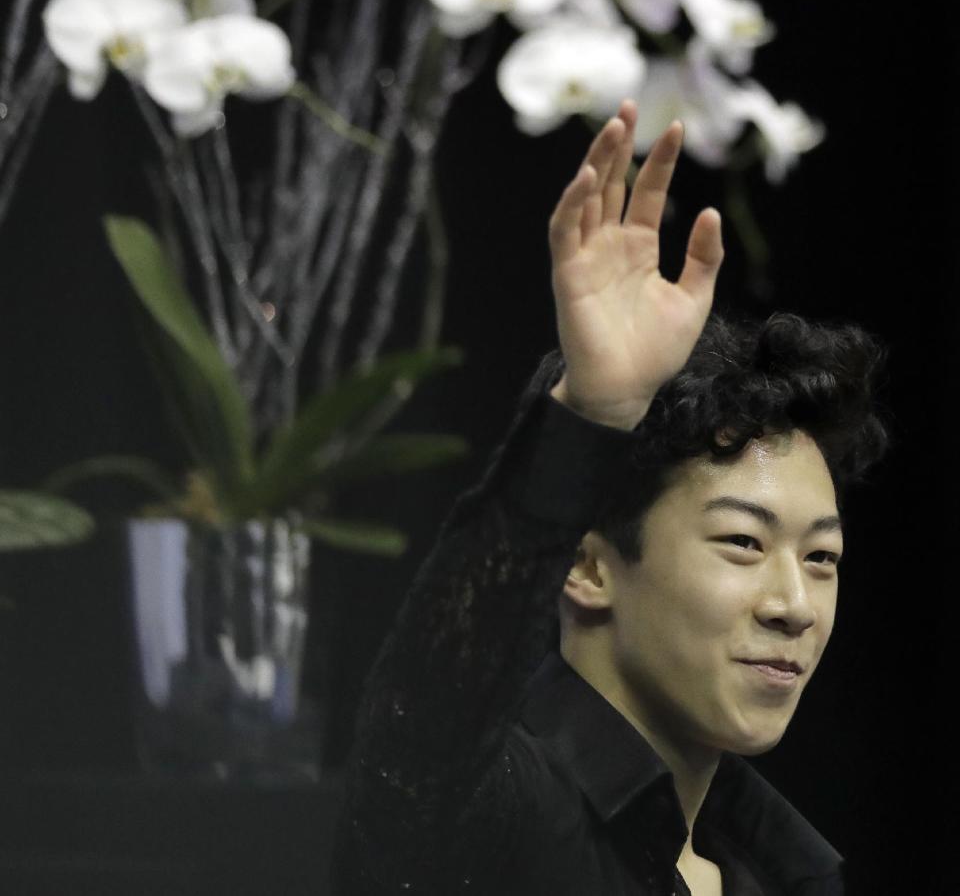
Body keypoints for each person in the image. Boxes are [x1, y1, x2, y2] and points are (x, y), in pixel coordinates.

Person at [330, 101, 889, 895]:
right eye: (743, 542)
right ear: (587, 564)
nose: (795, 603)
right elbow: (425, 719)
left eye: (823, 556)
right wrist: (590, 415)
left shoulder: (777, 867)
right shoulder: (491, 811)